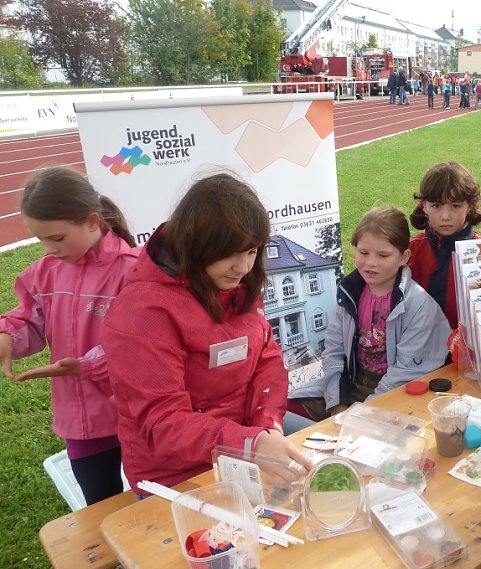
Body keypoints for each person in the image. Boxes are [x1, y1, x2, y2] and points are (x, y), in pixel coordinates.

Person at [101, 173, 311, 495]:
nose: (242, 267)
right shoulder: (143, 313)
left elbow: (266, 357)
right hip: (176, 473)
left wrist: (267, 424)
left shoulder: (238, 283)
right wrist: (252, 444)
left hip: (246, 442)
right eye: (230, 252)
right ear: (197, 242)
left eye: (252, 251)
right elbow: (164, 423)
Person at [0, 167, 139, 505]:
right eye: (41, 240)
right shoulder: (42, 273)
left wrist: (85, 366)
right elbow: (29, 322)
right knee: (100, 506)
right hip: (81, 422)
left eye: (57, 238)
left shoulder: (133, 269)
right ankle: (118, 560)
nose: (48, 249)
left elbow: (141, 344)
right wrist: (7, 335)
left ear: (93, 221)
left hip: (136, 414)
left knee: (149, 500)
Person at [292, 207, 450, 421]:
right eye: (363, 253)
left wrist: (361, 415)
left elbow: (404, 374)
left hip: (395, 392)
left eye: (383, 255)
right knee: (284, 410)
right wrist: (337, 404)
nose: (371, 263)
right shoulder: (349, 294)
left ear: (404, 257)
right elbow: (333, 352)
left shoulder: (418, 304)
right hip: (351, 384)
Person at [408, 161, 481, 330]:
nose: (445, 216)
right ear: (424, 206)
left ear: (470, 206)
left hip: (466, 351)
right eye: (436, 206)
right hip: (420, 349)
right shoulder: (411, 251)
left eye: (455, 206)